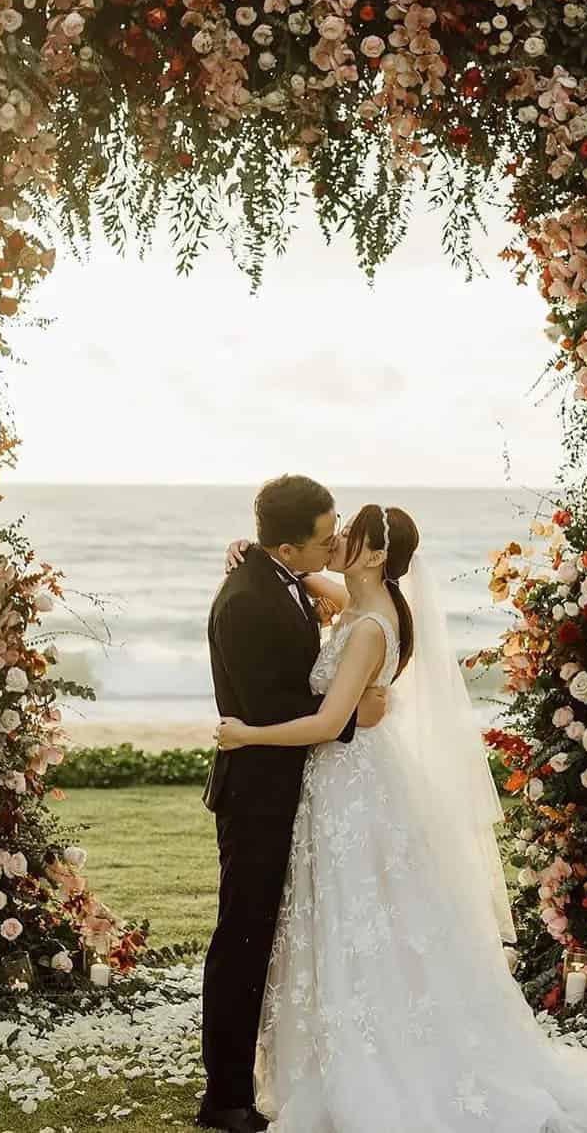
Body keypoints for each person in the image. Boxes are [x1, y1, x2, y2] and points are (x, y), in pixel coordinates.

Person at [214, 503, 587, 1133]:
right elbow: (306, 583)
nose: (335, 544)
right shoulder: (364, 602)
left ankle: (380, 1058)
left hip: (350, 784)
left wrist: (246, 734)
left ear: (377, 554)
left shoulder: (367, 628)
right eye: (330, 535)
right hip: (347, 786)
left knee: (361, 915)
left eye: (347, 537)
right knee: (355, 915)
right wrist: (256, 550)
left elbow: (330, 723)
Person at [197, 476, 389, 1133]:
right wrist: (352, 712)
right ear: (287, 542)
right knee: (241, 942)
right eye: (326, 530)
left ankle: (254, 1078)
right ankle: (224, 1098)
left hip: (290, 791)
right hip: (256, 797)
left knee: (263, 940)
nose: (336, 536)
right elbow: (270, 709)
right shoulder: (250, 601)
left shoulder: (279, 579)